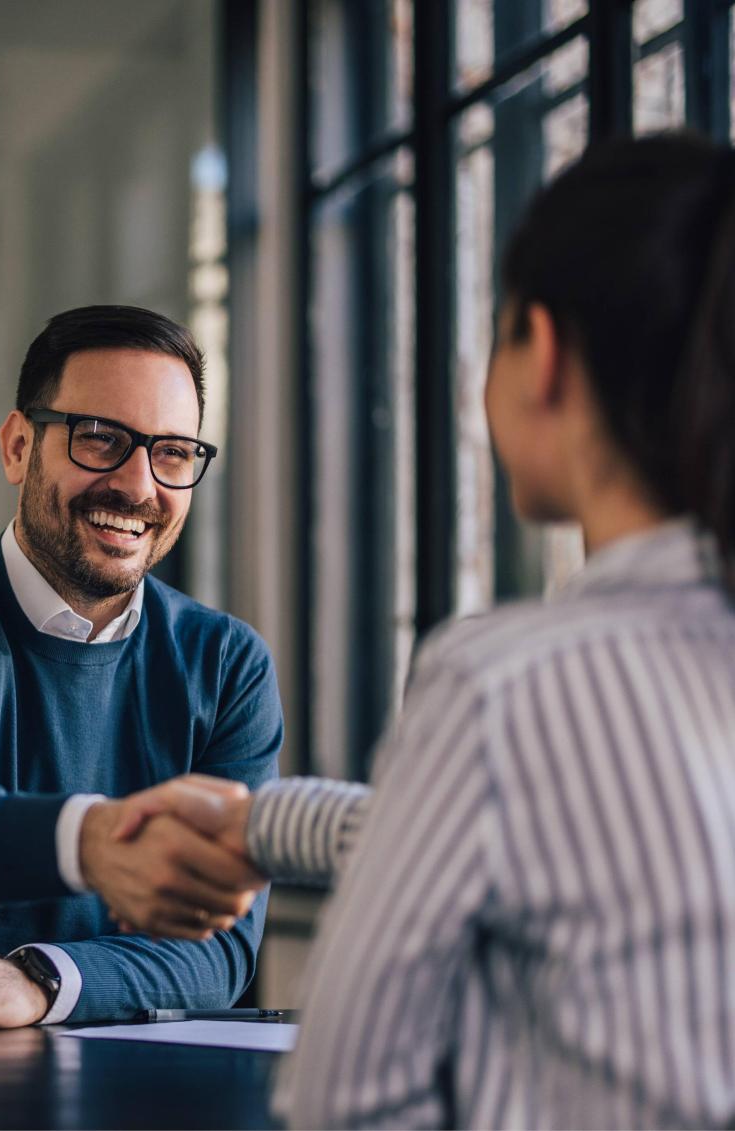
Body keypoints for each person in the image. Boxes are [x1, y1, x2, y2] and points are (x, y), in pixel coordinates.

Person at [109, 133, 735, 1129]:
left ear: (544, 353)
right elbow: (584, 837)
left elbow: (344, 1102)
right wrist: (260, 821)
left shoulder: (503, 684)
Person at [0, 305, 281, 1030]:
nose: (138, 485)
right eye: (99, 439)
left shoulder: (227, 664)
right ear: (18, 446)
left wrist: (40, 979)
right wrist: (91, 842)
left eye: (173, 452)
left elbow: (220, 948)